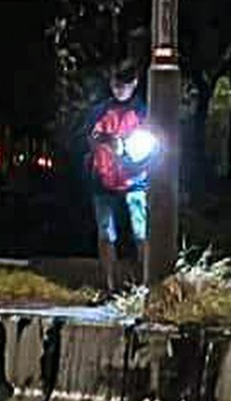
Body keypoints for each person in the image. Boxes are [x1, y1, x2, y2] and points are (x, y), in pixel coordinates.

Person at [87, 60, 150, 293]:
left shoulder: (142, 112)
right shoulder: (100, 111)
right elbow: (89, 140)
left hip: (135, 181)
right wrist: (100, 144)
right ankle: (108, 286)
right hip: (103, 180)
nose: (119, 88)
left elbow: (151, 145)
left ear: (134, 83)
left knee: (141, 230)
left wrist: (126, 152)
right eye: (116, 83)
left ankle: (145, 284)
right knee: (105, 233)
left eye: (124, 83)